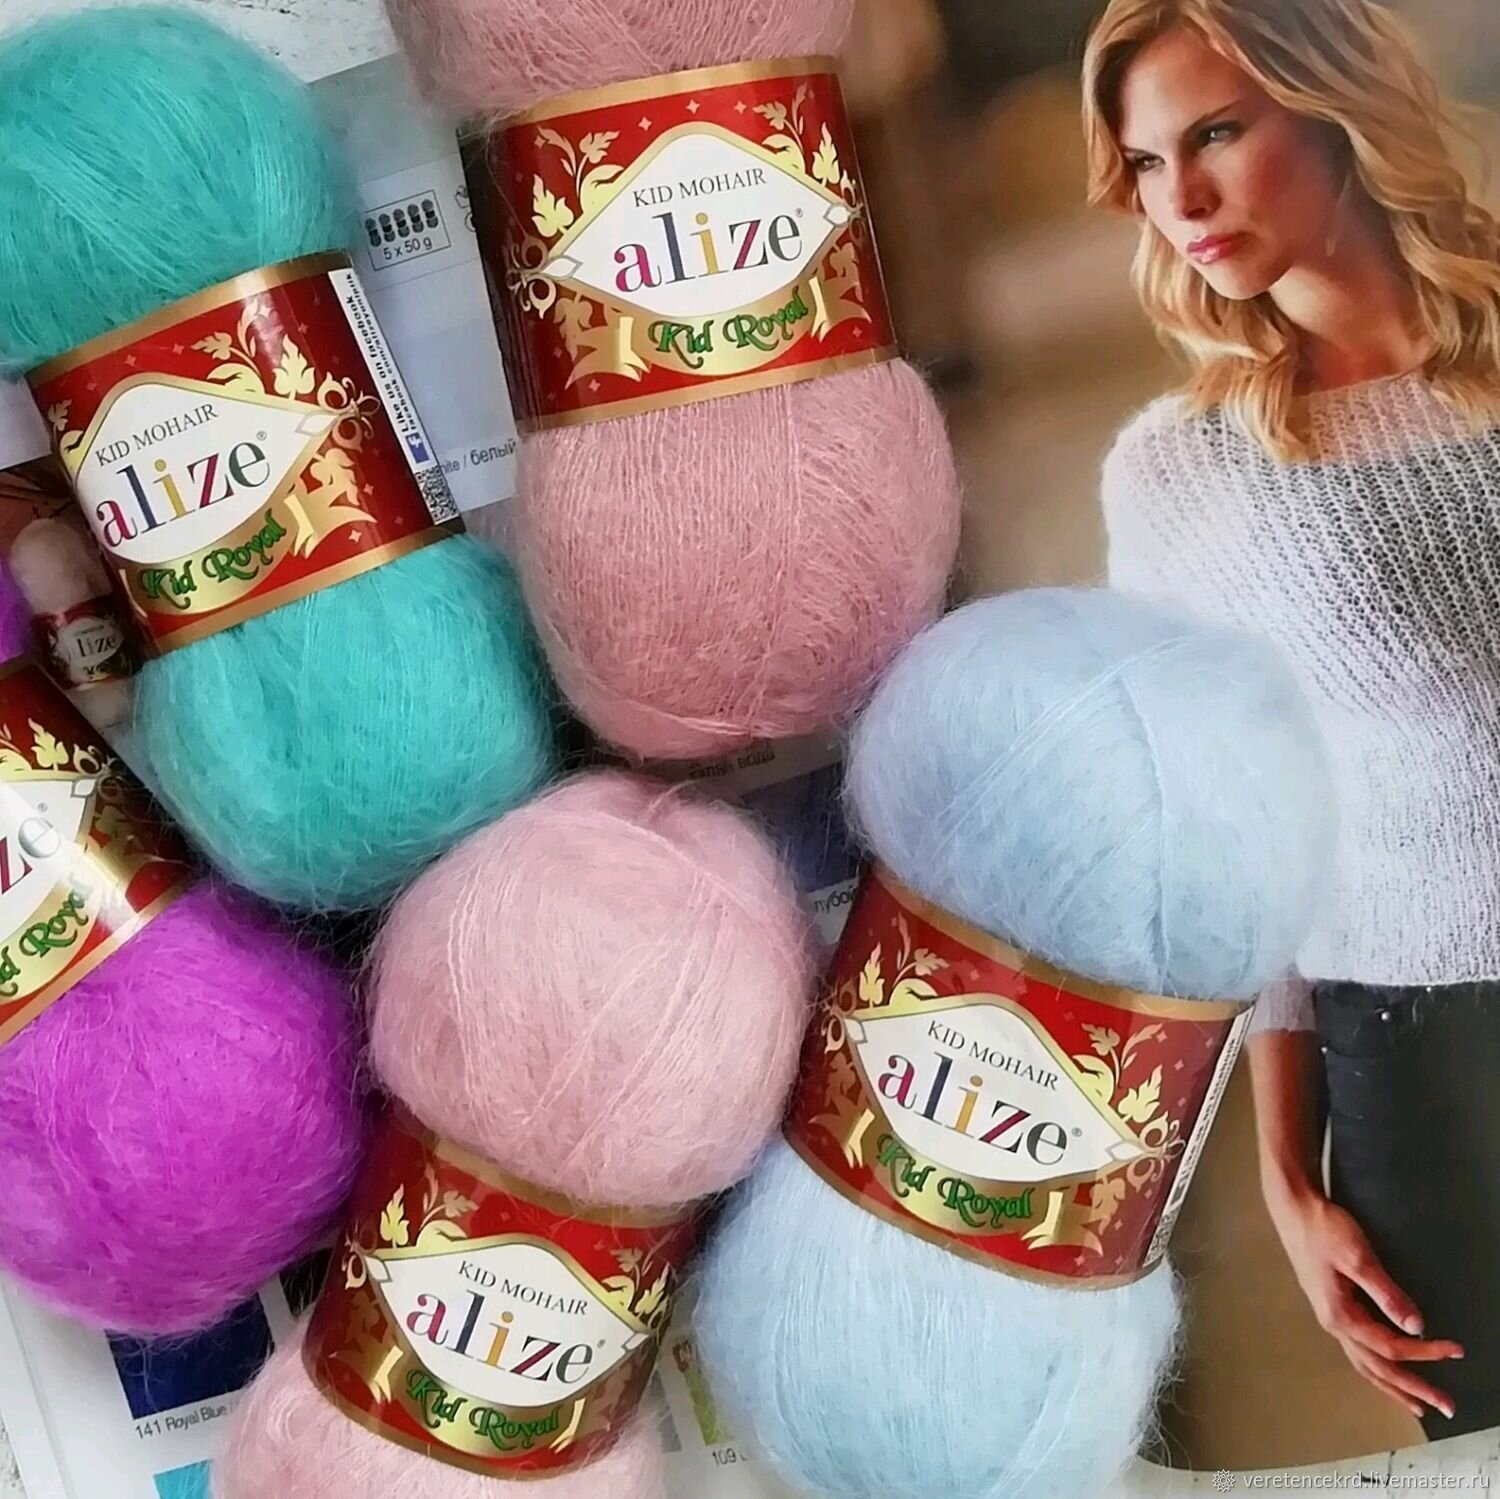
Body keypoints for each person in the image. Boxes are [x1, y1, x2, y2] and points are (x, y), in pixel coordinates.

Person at [1084, 0, 1500, 1436]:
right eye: (1148, 163)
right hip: (1432, 1068)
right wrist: (1285, 1180)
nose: (1182, 199)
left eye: (1216, 133)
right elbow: (1236, 845)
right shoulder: (1181, 479)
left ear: (1332, 104)